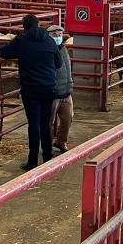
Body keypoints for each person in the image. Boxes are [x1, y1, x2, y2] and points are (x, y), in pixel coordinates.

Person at [0, 14, 61, 170]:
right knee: (45, 123)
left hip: (30, 87)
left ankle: (32, 160)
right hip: (48, 87)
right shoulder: (50, 41)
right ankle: (47, 155)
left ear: (24, 26)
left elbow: (3, 52)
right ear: (38, 24)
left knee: (33, 124)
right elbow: (58, 63)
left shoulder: (22, 41)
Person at [47, 24, 73, 154]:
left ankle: (61, 141)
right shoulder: (47, 50)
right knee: (49, 121)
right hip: (53, 92)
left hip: (66, 91)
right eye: (55, 35)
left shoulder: (63, 49)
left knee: (68, 118)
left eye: (60, 35)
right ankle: (48, 146)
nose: (58, 37)